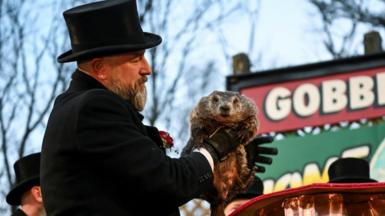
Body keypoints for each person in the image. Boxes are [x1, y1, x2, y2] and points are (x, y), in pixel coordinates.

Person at [40, 0, 277, 215]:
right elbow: (169, 182)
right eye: (135, 59)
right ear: (100, 67)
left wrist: (228, 168)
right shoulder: (93, 107)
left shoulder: (79, 108)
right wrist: (214, 149)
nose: (147, 68)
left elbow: (149, 186)